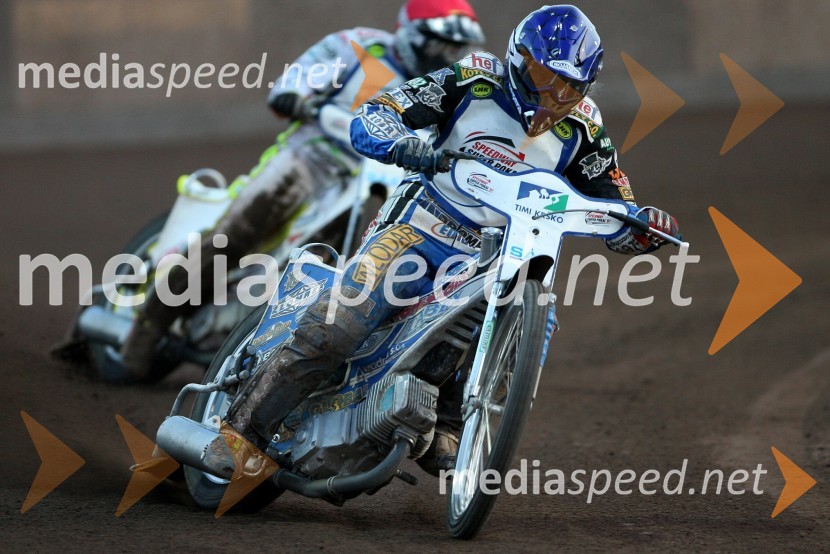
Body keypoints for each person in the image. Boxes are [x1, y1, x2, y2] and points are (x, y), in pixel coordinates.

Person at [202, 5, 680, 480]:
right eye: (542, 77)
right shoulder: (474, 79)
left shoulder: (586, 128)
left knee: (532, 321)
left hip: (497, 256)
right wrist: (398, 141)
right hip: (419, 228)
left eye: (569, 88)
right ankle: (243, 433)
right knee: (343, 322)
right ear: (517, 59)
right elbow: (378, 112)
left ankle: (450, 427)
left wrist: (643, 227)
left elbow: (617, 206)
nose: (554, 97)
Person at [119, 0, 486, 380]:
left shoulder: (446, 89)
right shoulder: (362, 46)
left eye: (457, 49)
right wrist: (295, 92)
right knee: (239, 234)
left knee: (339, 262)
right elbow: (305, 72)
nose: (449, 56)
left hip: (382, 178)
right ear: (411, 35)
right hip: (314, 152)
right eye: (441, 46)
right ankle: (148, 326)